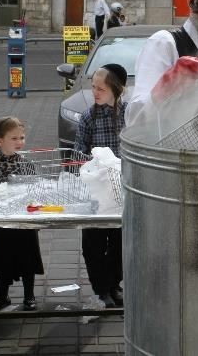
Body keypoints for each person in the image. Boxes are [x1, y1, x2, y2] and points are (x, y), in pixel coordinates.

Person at [74, 64, 127, 307]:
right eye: (93, 87)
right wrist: (92, 167)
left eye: (101, 88)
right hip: (96, 192)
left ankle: (114, 284)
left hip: (123, 192)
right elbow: (77, 155)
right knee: (93, 243)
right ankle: (100, 289)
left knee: (120, 242)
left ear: (117, 89)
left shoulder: (129, 115)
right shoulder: (87, 117)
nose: (95, 92)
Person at [0, 117, 44, 311]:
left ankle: (29, 294)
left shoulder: (27, 165)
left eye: (22, 137)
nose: (19, 142)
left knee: (27, 257)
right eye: (14, 138)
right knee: (1, 259)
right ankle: (2, 295)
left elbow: (34, 193)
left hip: (22, 222)